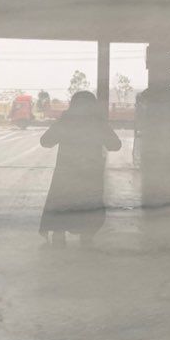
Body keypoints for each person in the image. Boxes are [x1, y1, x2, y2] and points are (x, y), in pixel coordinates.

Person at [39, 91, 121, 247]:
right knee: (89, 203)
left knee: (62, 201)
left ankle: (59, 234)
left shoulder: (65, 122)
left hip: (66, 173)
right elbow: (115, 145)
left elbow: (45, 141)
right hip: (90, 173)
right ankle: (86, 235)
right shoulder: (98, 123)